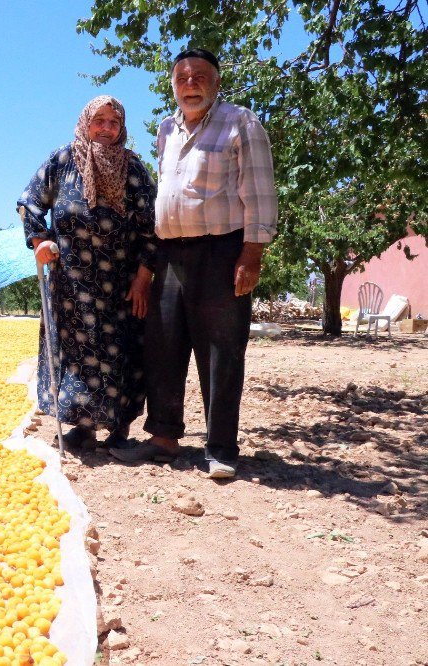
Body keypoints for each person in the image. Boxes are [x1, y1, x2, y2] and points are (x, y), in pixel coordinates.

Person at [108, 48, 278, 479]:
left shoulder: (241, 123)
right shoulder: (166, 129)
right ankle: (163, 438)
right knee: (162, 345)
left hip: (221, 252)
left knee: (221, 352)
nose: (190, 84)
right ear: (173, 84)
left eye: (200, 76)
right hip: (169, 253)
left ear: (216, 83)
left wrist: (252, 253)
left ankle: (221, 447)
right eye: (182, 78)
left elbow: (259, 192)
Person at [18, 96, 158, 450]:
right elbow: (30, 202)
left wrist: (144, 277)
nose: (106, 129)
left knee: (121, 352)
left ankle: (119, 429)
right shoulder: (62, 161)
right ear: (86, 123)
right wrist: (40, 241)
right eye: (100, 121)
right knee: (77, 355)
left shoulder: (135, 170)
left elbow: (152, 227)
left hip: (121, 285)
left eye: (114, 122)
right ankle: (82, 426)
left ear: (122, 128)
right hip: (71, 284)